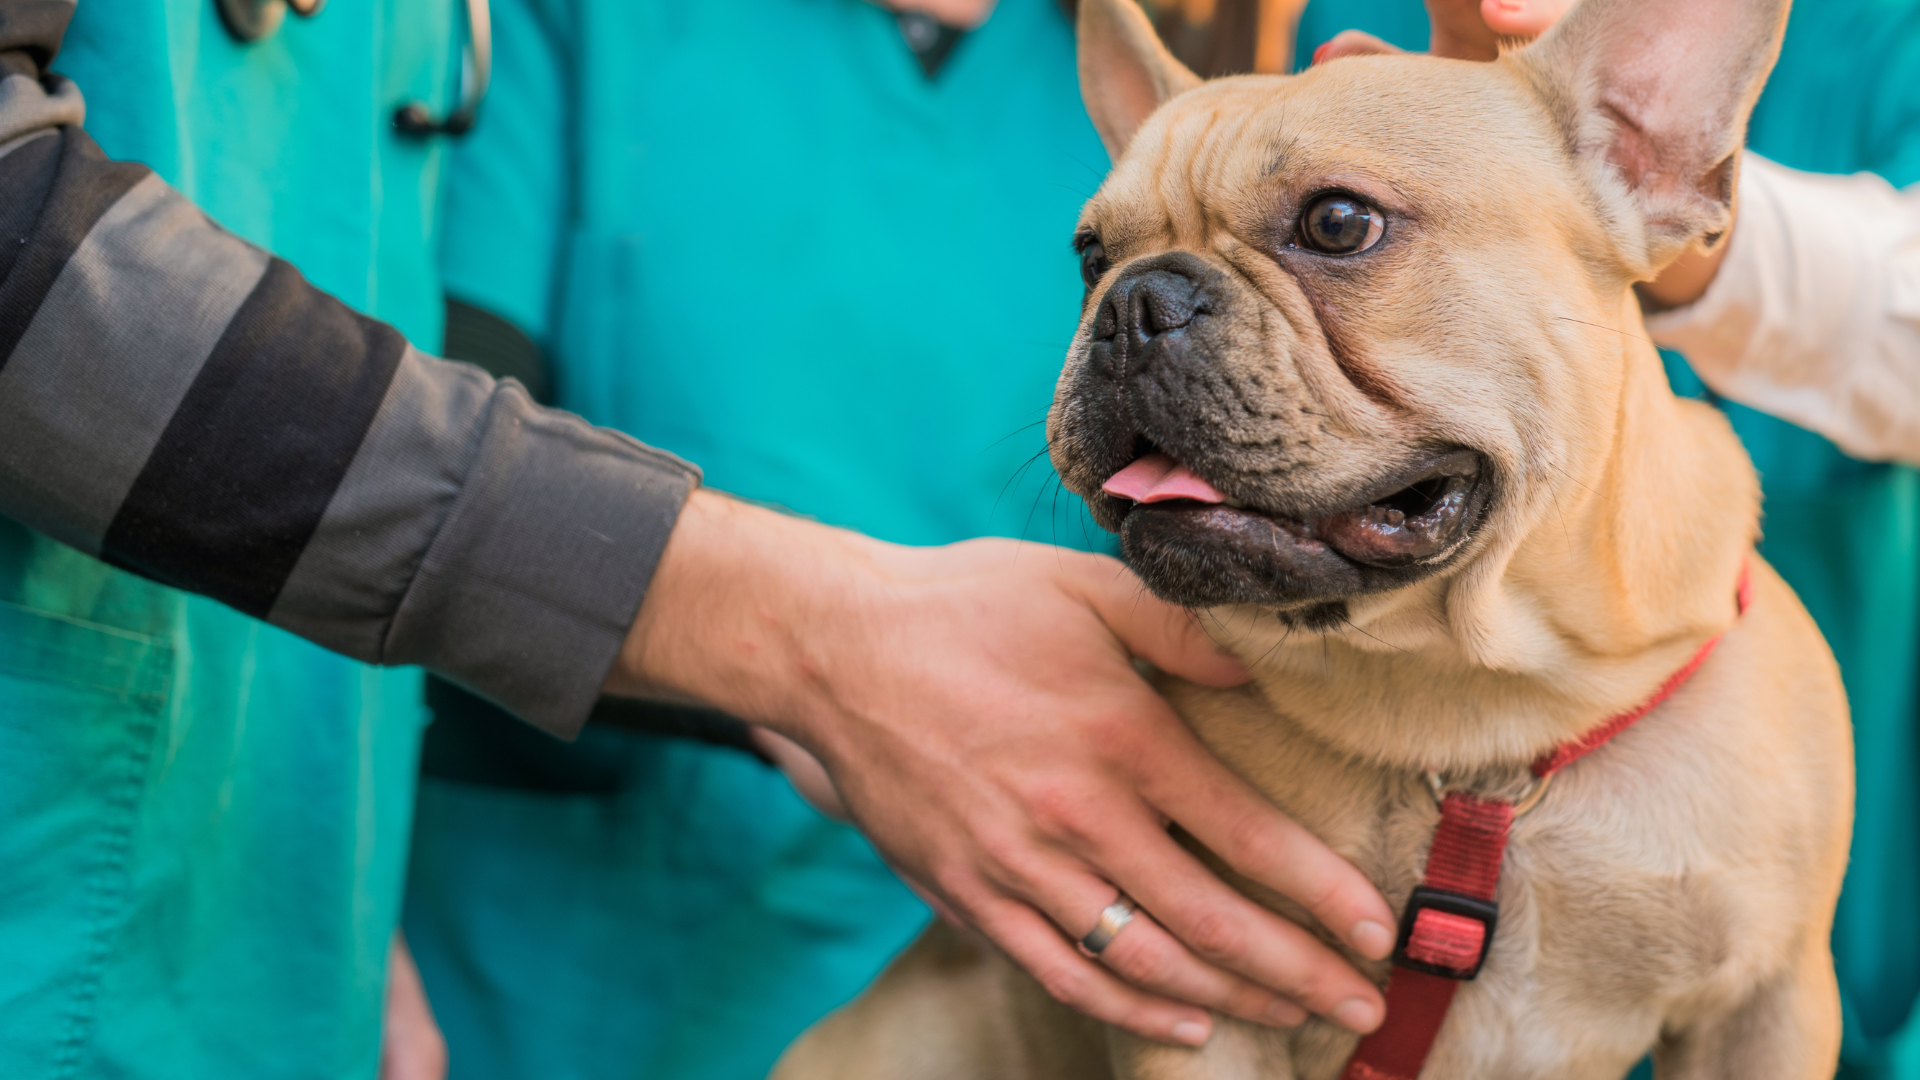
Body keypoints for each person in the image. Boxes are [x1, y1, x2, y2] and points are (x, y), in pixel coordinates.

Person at [0, 0, 1396, 1074]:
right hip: (535, 962)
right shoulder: (583, 33)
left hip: (1035, 996)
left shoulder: (1223, 86)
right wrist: (809, 641)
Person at [1303, 0, 1920, 1075]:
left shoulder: (1880, 36)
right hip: (1390, 699)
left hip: (1799, 677)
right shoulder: (1363, 20)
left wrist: (1621, 179)